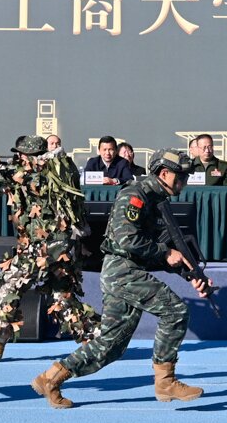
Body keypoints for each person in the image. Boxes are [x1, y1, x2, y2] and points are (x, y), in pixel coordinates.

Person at [30, 150, 213, 408]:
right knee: (175, 311)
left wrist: (190, 274)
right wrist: (165, 253)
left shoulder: (157, 198)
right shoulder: (136, 194)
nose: (184, 182)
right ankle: (166, 382)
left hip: (127, 270)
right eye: (180, 177)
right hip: (122, 270)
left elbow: (157, 249)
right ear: (164, 174)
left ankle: (50, 378)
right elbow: (128, 240)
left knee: (111, 346)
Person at [0, 135, 100, 361]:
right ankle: (99, 337)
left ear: (26, 155)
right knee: (62, 298)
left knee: (5, 286)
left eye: (20, 154)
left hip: (42, 247)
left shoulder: (28, 172)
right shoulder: (61, 168)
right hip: (64, 246)